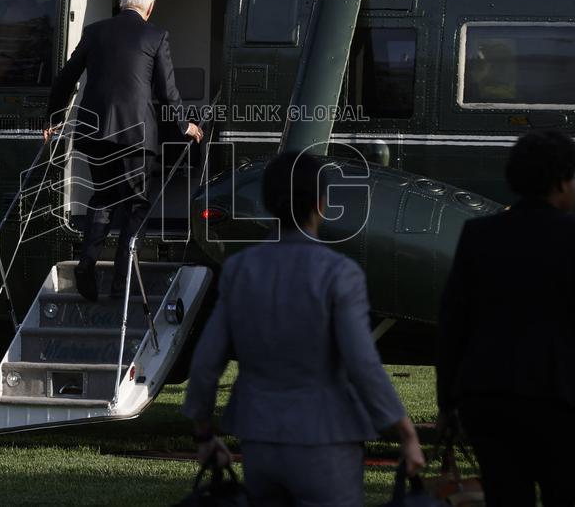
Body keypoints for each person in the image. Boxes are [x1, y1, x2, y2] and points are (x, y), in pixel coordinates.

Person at [182, 152, 426, 505]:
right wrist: (405, 432)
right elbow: (362, 364)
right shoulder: (339, 273)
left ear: (268, 203)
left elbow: (207, 362)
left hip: (260, 438)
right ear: (321, 204)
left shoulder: (240, 270)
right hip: (327, 438)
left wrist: (204, 433)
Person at [436, 130, 575, 506]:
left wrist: (446, 403)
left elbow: (454, 322)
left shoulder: (479, 234)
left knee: (505, 496)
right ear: (561, 183)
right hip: (558, 400)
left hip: (488, 398)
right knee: (567, 496)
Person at [43, 0, 203, 300]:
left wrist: (54, 118)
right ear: (150, 7)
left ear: (121, 1)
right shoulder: (155, 36)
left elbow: (66, 77)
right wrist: (184, 125)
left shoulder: (94, 31)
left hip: (96, 132)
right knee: (135, 204)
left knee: (102, 197)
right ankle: (122, 282)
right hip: (136, 135)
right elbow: (167, 90)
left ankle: (87, 263)